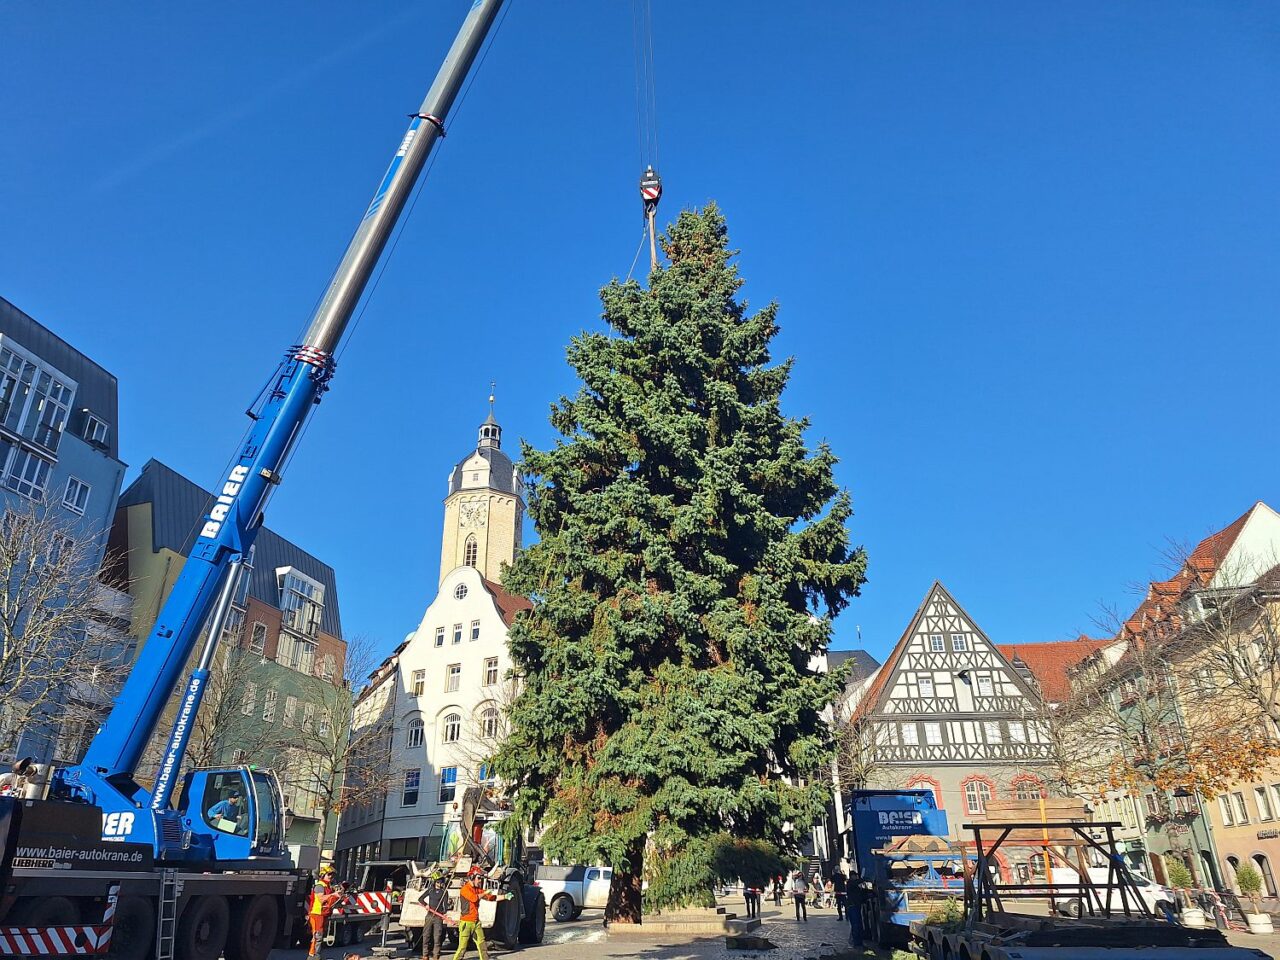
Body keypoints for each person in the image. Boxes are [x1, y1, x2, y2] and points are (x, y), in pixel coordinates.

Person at [454, 864, 509, 959]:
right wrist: (484, 893)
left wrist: (505, 896)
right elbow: (474, 898)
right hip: (466, 923)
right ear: (472, 878)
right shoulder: (465, 889)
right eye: (478, 878)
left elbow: (490, 898)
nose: (480, 881)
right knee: (462, 947)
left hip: (476, 922)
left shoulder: (477, 889)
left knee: (482, 944)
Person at [418, 874, 452, 960]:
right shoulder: (430, 890)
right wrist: (426, 905)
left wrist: (444, 913)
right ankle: (425, 955)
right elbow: (420, 899)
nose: (440, 884)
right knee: (426, 935)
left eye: (441, 883)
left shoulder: (444, 892)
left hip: (438, 917)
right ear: (435, 882)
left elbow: (445, 906)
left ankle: (436, 955)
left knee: (437, 937)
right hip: (429, 916)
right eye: (438, 882)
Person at [308, 865, 339, 958]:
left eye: (332, 875)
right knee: (317, 936)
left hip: (323, 914)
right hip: (317, 914)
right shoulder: (320, 886)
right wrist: (333, 894)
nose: (331, 876)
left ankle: (316, 955)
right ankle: (313, 956)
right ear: (323, 875)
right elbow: (321, 899)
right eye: (329, 874)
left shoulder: (328, 886)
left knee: (320, 936)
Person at [847, 879, 865, 947]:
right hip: (852, 906)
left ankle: (858, 942)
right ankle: (856, 942)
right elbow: (854, 883)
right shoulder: (850, 883)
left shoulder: (856, 887)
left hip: (855, 906)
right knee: (856, 925)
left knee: (858, 925)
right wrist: (862, 879)